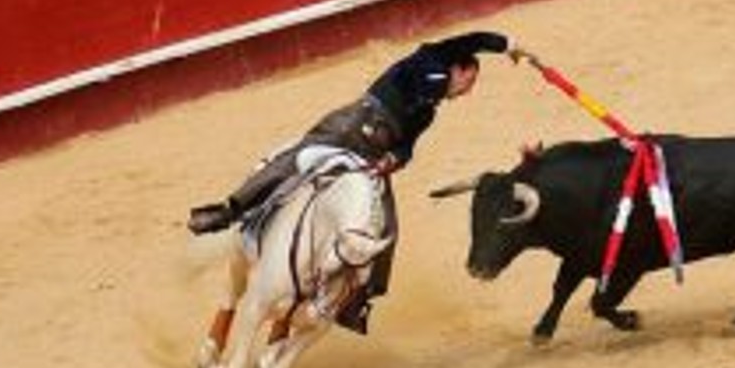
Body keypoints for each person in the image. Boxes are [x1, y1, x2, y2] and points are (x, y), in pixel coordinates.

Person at [187, 30, 527, 333]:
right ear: (460, 69)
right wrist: (506, 45)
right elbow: (469, 42)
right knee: (296, 159)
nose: (467, 93)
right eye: (470, 82)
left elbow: (407, 146)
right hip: (352, 126)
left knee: (387, 228)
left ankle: (357, 300)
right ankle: (229, 210)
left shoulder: (428, 111)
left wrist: (393, 161)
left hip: (372, 157)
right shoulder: (429, 60)